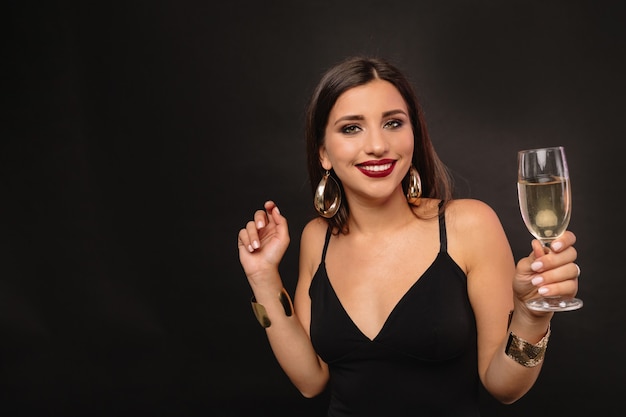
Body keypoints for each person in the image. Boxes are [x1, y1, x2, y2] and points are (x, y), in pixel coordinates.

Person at [236, 56, 580, 416]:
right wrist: (262, 277)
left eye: (393, 123)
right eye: (352, 128)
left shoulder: (468, 225)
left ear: (413, 134)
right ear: (323, 152)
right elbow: (310, 380)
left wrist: (531, 316)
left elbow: (504, 388)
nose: (378, 145)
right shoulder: (316, 238)